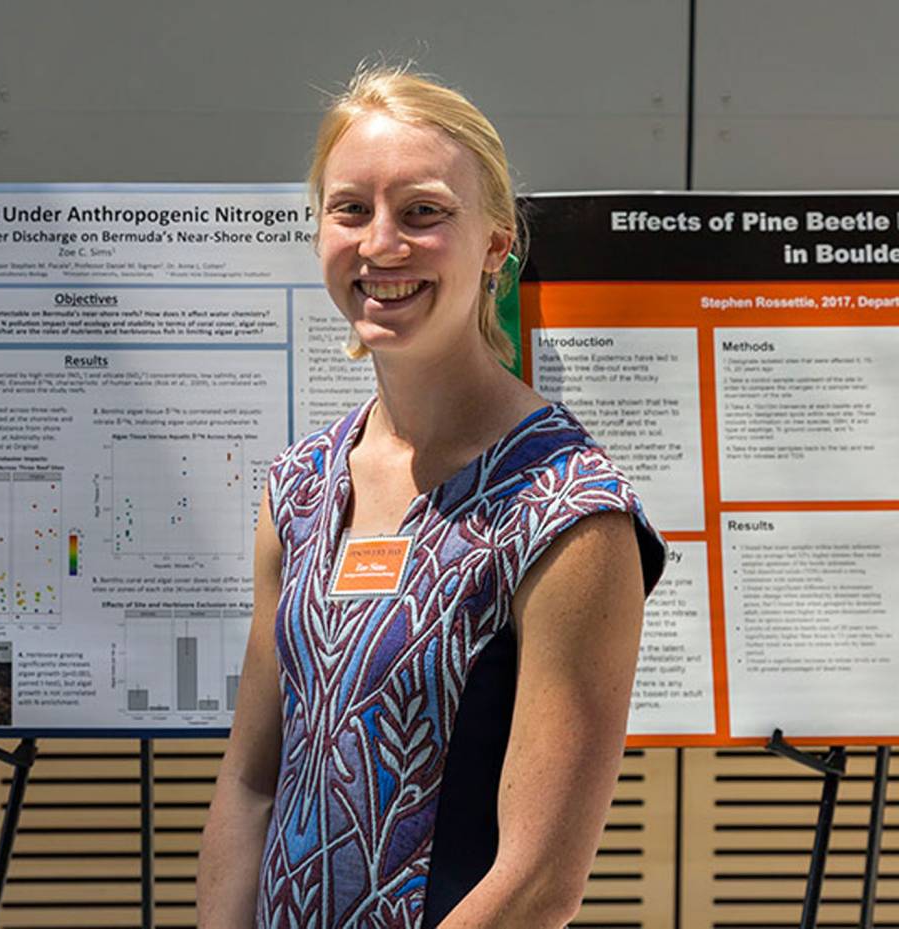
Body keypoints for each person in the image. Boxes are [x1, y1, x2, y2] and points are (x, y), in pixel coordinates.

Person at [196, 66, 667, 928]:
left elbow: (538, 882)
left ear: (495, 243)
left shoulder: (568, 511)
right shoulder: (300, 486)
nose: (381, 245)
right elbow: (251, 780)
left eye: (422, 213)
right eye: (350, 210)